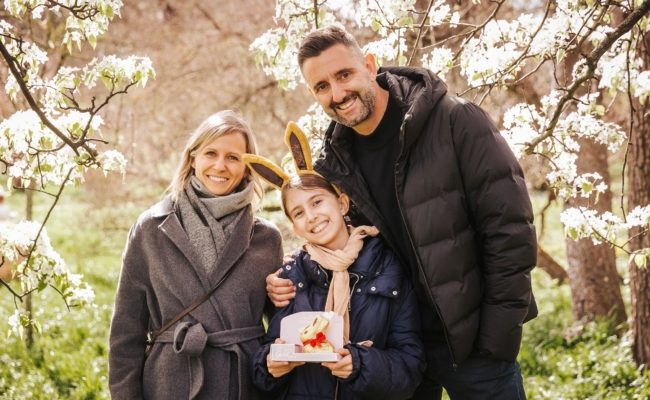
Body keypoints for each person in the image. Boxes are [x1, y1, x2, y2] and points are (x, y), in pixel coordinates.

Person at [267, 25, 538, 399]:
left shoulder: (454, 120)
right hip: (396, 349)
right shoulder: (336, 163)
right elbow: (342, 246)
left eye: (344, 74)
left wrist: (496, 337)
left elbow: (511, 230)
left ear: (370, 64)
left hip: (474, 343)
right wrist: (288, 277)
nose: (338, 93)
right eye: (322, 86)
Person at [108, 110, 283, 400]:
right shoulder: (151, 228)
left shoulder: (266, 238)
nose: (219, 165)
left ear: (247, 166)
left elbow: (280, 329)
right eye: (210, 153)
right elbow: (126, 333)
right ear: (193, 158)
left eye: (233, 157)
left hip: (241, 384)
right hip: (169, 382)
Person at [246, 123, 424, 399]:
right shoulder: (291, 276)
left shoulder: (389, 267)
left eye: (317, 202)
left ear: (342, 203)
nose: (312, 216)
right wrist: (270, 366)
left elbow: (411, 368)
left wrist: (359, 364)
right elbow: (265, 366)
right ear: (294, 227)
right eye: (299, 212)